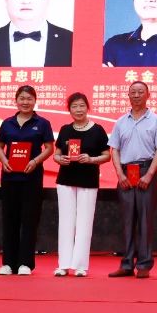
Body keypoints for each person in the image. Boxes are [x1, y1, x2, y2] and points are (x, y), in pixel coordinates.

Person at [108, 81, 157, 278]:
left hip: (146, 171)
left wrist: (149, 174)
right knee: (127, 221)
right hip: (126, 173)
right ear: (128, 95)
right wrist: (120, 174)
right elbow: (114, 149)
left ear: (148, 95)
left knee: (145, 220)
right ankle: (126, 264)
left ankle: (144, 264)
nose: (136, 95)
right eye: (133, 92)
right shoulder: (120, 122)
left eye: (140, 92)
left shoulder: (156, 120)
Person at [0, 85, 54, 275]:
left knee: (29, 220)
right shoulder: (7, 123)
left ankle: (25, 263)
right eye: (22, 98)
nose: (25, 102)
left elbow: (49, 148)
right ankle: (8, 263)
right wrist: (4, 161)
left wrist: (35, 161)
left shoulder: (42, 123)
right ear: (16, 100)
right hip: (10, 176)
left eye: (29, 99)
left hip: (32, 177)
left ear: (35, 101)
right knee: (9, 219)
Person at [52, 92, 110, 277]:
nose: (78, 110)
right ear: (69, 109)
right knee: (65, 222)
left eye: (81, 106)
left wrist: (92, 159)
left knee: (84, 223)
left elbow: (107, 155)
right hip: (65, 180)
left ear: (88, 107)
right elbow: (56, 154)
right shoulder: (65, 129)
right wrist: (60, 159)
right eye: (74, 106)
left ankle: (80, 265)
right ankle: (63, 264)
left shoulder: (98, 130)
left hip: (88, 181)